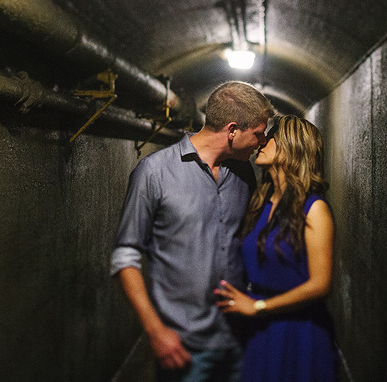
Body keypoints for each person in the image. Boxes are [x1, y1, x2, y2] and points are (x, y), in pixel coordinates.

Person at [110, 81, 275, 382]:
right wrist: (155, 331)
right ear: (232, 130)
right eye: (258, 133)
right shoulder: (154, 172)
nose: (261, 142)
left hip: (240, 337)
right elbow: (125, 256)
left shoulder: (243, 173)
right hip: (184, 344)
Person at [215, 115, 338, 381]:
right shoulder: (261, 201)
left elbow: (320, 284)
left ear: (290, 146)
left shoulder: (314, 209)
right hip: (259, 329)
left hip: (297, 331)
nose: (261, 141)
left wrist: (259, 306)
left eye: (269, 137)